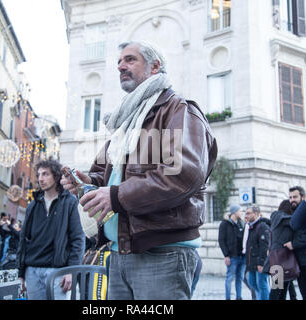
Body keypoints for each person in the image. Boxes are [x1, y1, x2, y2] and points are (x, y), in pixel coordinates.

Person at [61, 41, 218, 300]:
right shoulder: (127, 121)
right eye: (119, 62)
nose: (121, 66)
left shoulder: (178, 109)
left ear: (155, 66)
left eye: (130, 60)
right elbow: (109, 177)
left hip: (163, 253)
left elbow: (182, 174)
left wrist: (114, 196)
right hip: (121, 251)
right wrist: (86, 181)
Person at [17, 159, 85, 300]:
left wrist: (71, 271)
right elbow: (23, 241)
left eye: (45, 174)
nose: (41, 178)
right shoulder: (32, 205)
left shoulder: (69, 202)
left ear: (56, 176)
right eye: (39, 174)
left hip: (58, 271)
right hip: (32, 271)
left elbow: (78, 239)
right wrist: (21, 274)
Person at [288, 186, 306, 300]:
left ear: (303, 197)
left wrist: (295, 243)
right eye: (290, 197)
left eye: (295, 197)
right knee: (305, 294)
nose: (292, 199)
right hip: (293, 260)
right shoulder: (289, 212)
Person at [266, 200, 295, 300]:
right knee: (277, 289)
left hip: (276, 257)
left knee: (280, 289)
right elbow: (295, 221)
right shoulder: (284, 218)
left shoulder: (276, 217)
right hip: (281, 257)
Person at [218, 204, 246, 300]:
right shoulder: (225, 224)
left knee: (240, 278)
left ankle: (239, 297)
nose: (242, 213)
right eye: (240, 211)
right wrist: (226, 255)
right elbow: (221, 240)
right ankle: (228, 298)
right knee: (229, 278)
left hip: (242, 256)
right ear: (235, 212)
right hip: (232, 256)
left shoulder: (241, 223)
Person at [243, 205, 270, 300]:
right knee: (252, 283)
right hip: (251, 262)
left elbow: (264, 246)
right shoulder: (250, 226)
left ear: (255, 214)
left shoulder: (262, 226)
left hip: (260, 262)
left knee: (262, 284)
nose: (245, 216)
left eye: (248, 213)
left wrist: (261, 262)